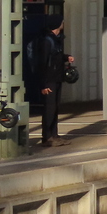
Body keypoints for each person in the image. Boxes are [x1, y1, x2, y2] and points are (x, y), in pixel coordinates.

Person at [29, 15, 73, 147]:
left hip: (56, 78)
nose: (63, 23)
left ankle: (55, 135)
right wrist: (43, 85)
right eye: (61, 22)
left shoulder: (56, 39)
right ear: (57, 24)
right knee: (49, 109)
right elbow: (42, 63)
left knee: (55, 108)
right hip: (49, 81)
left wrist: (66, 57)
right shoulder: (47, 41)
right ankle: (47, 137)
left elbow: (55, 57)